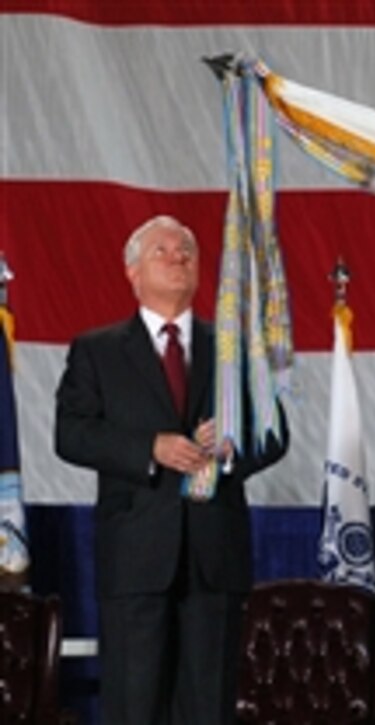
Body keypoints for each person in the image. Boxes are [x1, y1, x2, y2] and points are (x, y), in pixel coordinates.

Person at [54, 215, 289, 724]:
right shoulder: (97, 351)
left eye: (187, 250)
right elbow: (71, 434)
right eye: (162, 250)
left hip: (214, 556)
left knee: (208, 707)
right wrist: (150, 448)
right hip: (136, 558)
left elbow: (275, 433)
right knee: (134, 706)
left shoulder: (233, 349)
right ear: (132, 271)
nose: (178, 256)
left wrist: (230, 449)